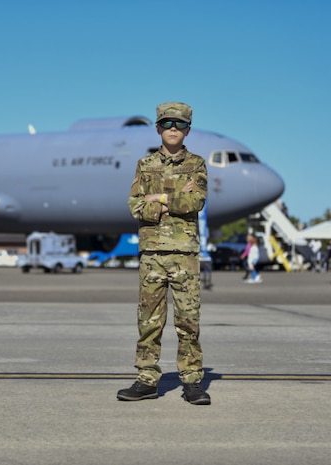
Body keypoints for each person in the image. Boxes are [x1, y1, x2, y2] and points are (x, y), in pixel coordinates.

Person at [117, 102, 210, 405]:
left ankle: (193, 381)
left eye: (180, 125)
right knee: (149, 323)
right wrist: (172, 200)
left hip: (185, 255)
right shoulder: (145, 166)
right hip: (153, 255)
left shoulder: (196, 164)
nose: (173, 129)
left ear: (188, 130)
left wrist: (158, 198)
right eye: (168, 123)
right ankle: (146, 380)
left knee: (188, 322)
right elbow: (135, 206)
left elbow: (196, 201)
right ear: (158, 128)